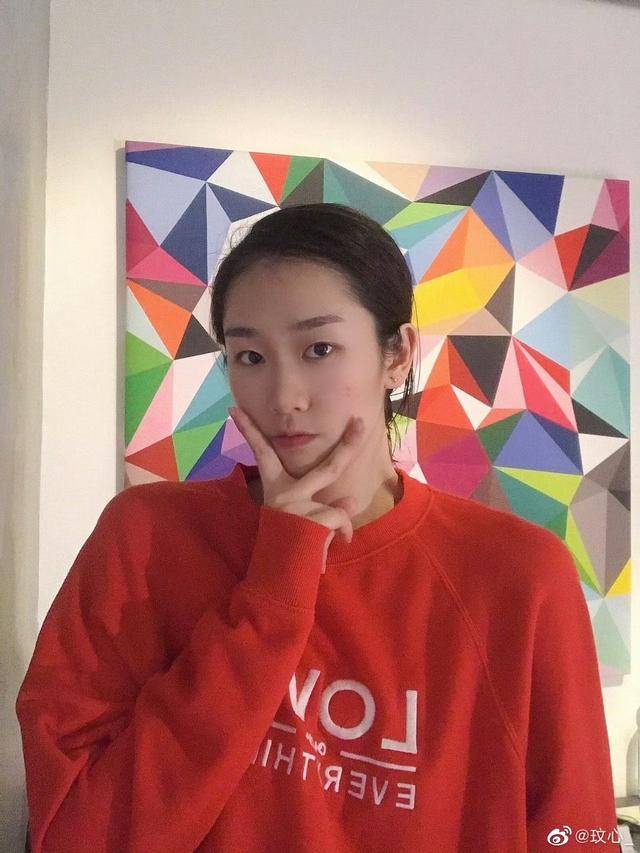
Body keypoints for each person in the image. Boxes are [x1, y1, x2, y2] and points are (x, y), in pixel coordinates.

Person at [15, 203, 619, 852]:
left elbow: (578, 830)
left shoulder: (517, 575)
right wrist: (275, 589)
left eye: (319, 349)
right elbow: (78, 835)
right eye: (250, 356)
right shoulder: (146, 537)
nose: (284, 397)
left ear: (397, 354)